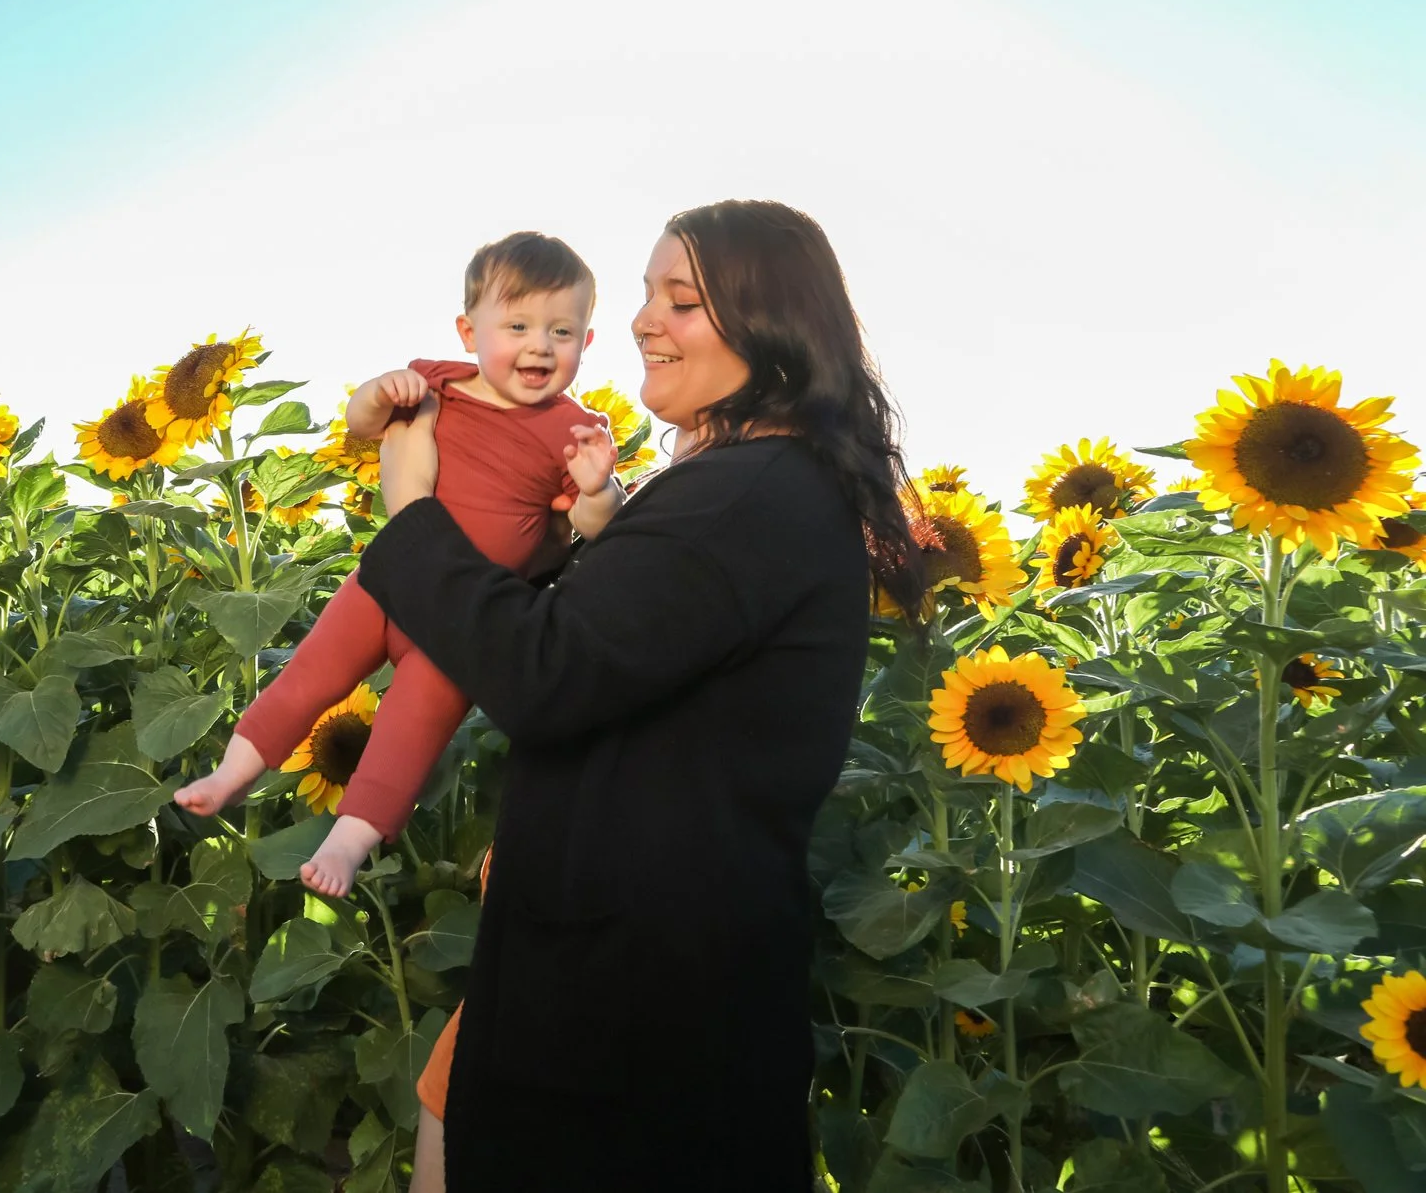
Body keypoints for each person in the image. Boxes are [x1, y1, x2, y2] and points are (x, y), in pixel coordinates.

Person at [368, 201, 925, 1190]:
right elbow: (625, 660)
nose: (639, 320)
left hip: (630, 1018)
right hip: (638, 990)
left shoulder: (746, 495)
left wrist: (412, 510)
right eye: (643, 294)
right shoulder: (748, 489)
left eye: (682, 299)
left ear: (771, 331)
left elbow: (544, 672)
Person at [176, 231, 626, 894]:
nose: (539, 345)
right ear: (469, 330)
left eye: (561, 331)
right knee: (307, 677)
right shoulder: (434, 383)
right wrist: (377, 392)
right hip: (384, 584)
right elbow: (362, 423)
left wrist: (599, 488)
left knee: (408, 732)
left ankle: (348, 843)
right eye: (519, 325)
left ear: (586, 342)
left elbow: (590, 526)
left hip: (465, 617)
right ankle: (231, 772)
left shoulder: (576, 430)